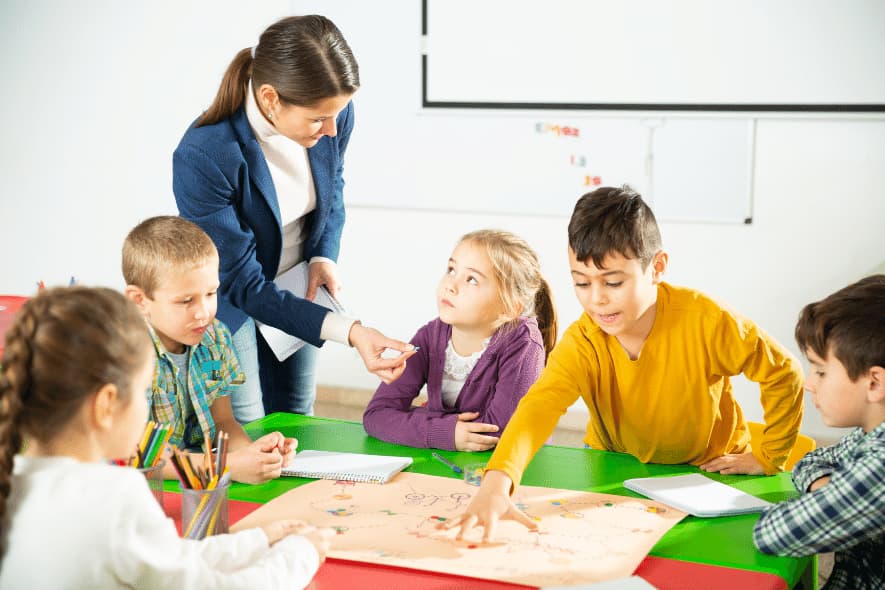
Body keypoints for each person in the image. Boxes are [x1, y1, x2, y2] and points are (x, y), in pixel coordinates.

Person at [441, 186, 804, 541]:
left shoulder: (705, 320)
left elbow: (783, 372)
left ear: (657, 267)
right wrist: (497, 482)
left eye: (612, 282)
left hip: (707, 469)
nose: (597, 300)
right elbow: (539, 407)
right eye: (581, 283)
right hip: (616, 463)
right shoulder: (584, 340)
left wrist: (769, 456)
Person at [0, 286, 333, 588]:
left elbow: (167, 560)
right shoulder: (116, 495)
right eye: (143, 392)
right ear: (106, 405)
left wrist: (260, 539)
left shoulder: (16, 481)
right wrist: (300, 554)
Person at [172, 15, 414, 422]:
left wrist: (323, 256)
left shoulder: (331, 114)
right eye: (319, 119)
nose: (333, 129)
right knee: (249, 423)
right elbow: (243, 285)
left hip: (296, 283)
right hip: (235, 296)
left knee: (297, 412)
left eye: (337, 114)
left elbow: (333, 185)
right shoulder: (205, 155)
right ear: (270, 98)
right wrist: (351, 331)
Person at [122, 216, 295, 485]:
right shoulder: (125, 356)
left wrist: (251, 454)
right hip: (141, 489)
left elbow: (223, 421)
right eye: (186, 300)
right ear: (140, 301)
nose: (204, 312)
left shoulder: (215, 337)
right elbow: (136, 453)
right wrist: (224, 465)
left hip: (196, 481)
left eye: (211, 293)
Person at [363, 230, 557, 451]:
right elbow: (377, 415)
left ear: (510, 307)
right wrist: (443, 431)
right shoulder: (429, 337)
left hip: (514, 470)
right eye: (451, 270)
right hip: (452, 464)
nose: (450, 285)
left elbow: (500, 432)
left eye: (472, 279)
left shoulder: (523, 343)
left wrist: (423, 420)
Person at [753, 275, 885, 590]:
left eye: (821, 371)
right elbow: (813, 460)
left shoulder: (880, 467)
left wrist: (830, 495)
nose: (809, 383)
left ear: (875, 383)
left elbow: (772, 533)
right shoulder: (872, 432)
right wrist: (829, 489)